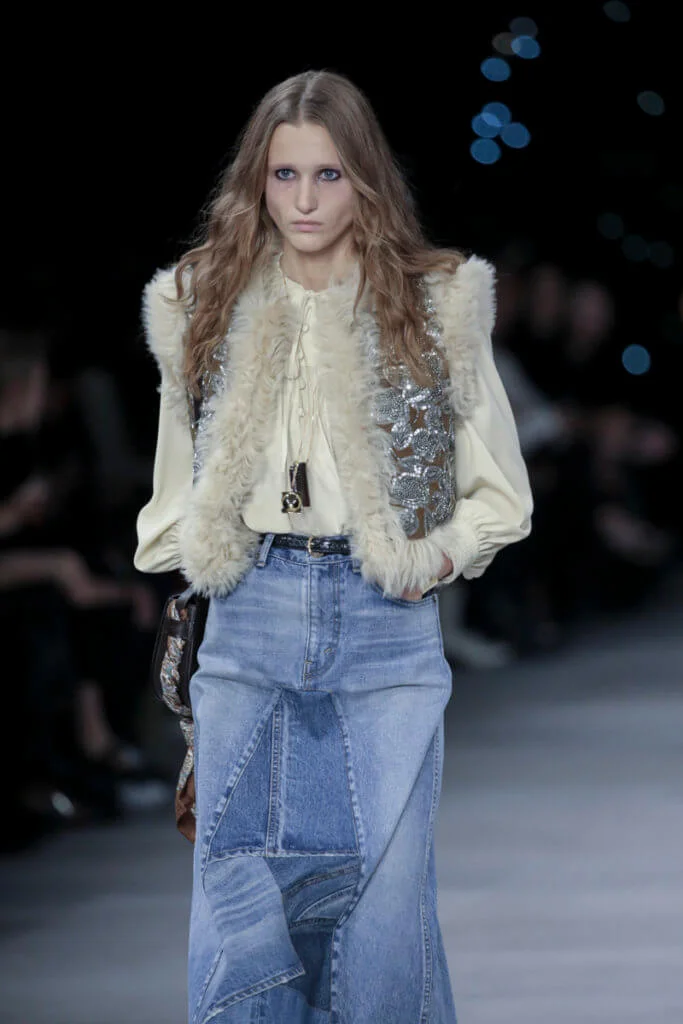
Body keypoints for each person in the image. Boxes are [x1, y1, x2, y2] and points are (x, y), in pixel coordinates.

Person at [134, 70, 532, 1024]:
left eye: (329, 175)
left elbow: (501, 493)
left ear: (365, 181)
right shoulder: (200, 297)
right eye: (285, 176)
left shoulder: (435, 301)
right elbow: (175, 483)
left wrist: (427, 562)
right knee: (241, 902)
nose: (305, 201)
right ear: (257, 181)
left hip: (382, 614)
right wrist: (202, 558)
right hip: (252, 611)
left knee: (385, 911)